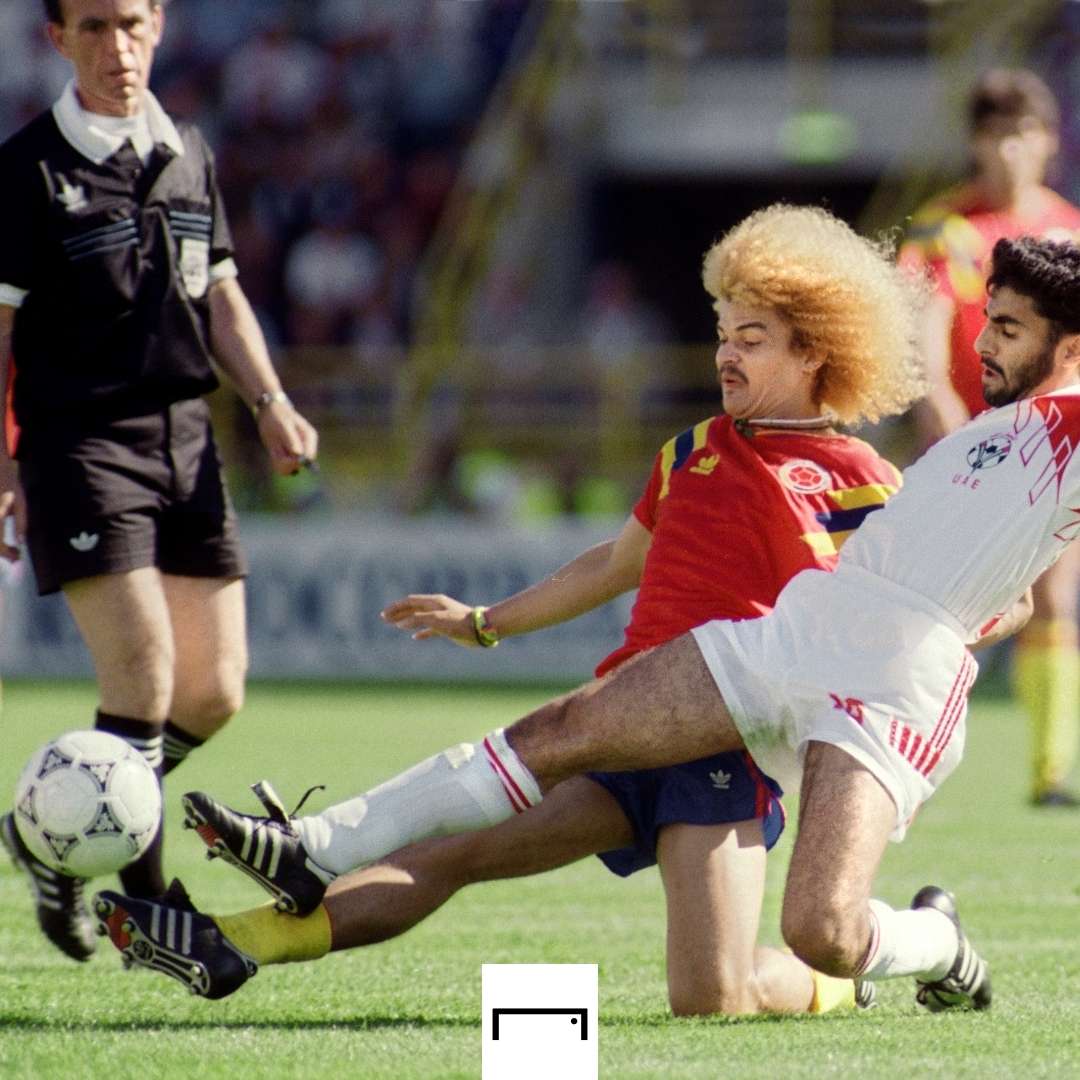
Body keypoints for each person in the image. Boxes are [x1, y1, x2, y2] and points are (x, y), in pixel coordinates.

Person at [126, 234, 1075, 1018]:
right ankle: (269, 896)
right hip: (721, 666)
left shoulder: (934, 456)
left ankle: (897, 959)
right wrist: (488, 623)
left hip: (806, 712)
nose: (726, 355)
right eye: (723, 333)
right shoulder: (715, 448)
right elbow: (614, 566)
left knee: (758, 970)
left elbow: (996, 593)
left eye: (753, 337)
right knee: (505, 792)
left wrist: (925, 641)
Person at [0, 0, 317, 963]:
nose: (118, 47)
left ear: (162, 26)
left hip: (188, 437)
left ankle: (48, 829)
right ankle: (153, 915)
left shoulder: (188, 150)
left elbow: (218, 290)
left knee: (215, 691)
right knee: (142, 677)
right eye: (93, 27)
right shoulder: (24, 171)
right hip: (78, 441)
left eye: (132, 24)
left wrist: (269, 402)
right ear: (56, 39)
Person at [899, 68, 1080, 806]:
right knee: (939, 603)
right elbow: (922, 321)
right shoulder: (942, 224)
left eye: (1023, 134)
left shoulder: (1069, 228)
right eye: (996, 134)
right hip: (972, 443)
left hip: (1055, 443)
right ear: (976, 143)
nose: (1010, 149)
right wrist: (936, 402)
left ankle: (1051, 771)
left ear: (1048, 140)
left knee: (1056, 596)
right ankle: (898, 735)